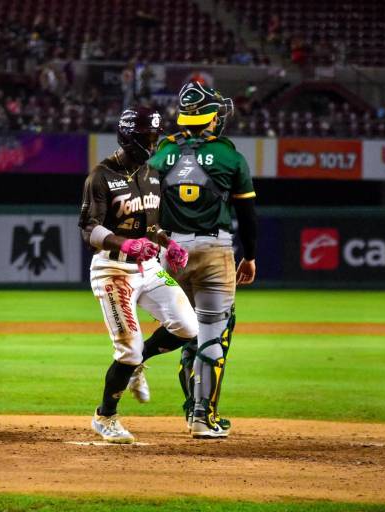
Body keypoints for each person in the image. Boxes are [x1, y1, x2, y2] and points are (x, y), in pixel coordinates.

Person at [79, 106, 199, 444]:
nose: (153, 142)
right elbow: (88, 229)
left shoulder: (150, 173)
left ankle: (138, 363)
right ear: (129, 136)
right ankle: (105, 417)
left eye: (155, 135)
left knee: (188, 327)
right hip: (113, 269)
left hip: (148, 268)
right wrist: (126, 244)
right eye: (147, 136)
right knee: (127, 350)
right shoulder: (100, 176)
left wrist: (168, 243)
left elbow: (152, 225)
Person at [148, 82, 257, 439]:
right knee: (213, 333)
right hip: (214, 251)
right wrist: (250, 256)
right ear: (212, 118)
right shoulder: (229, 156)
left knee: (185, 328)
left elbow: (143, 205)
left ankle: (187, 407)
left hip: (170, 253)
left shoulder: (161, 154)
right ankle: (202, 415)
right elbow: (248, 214)